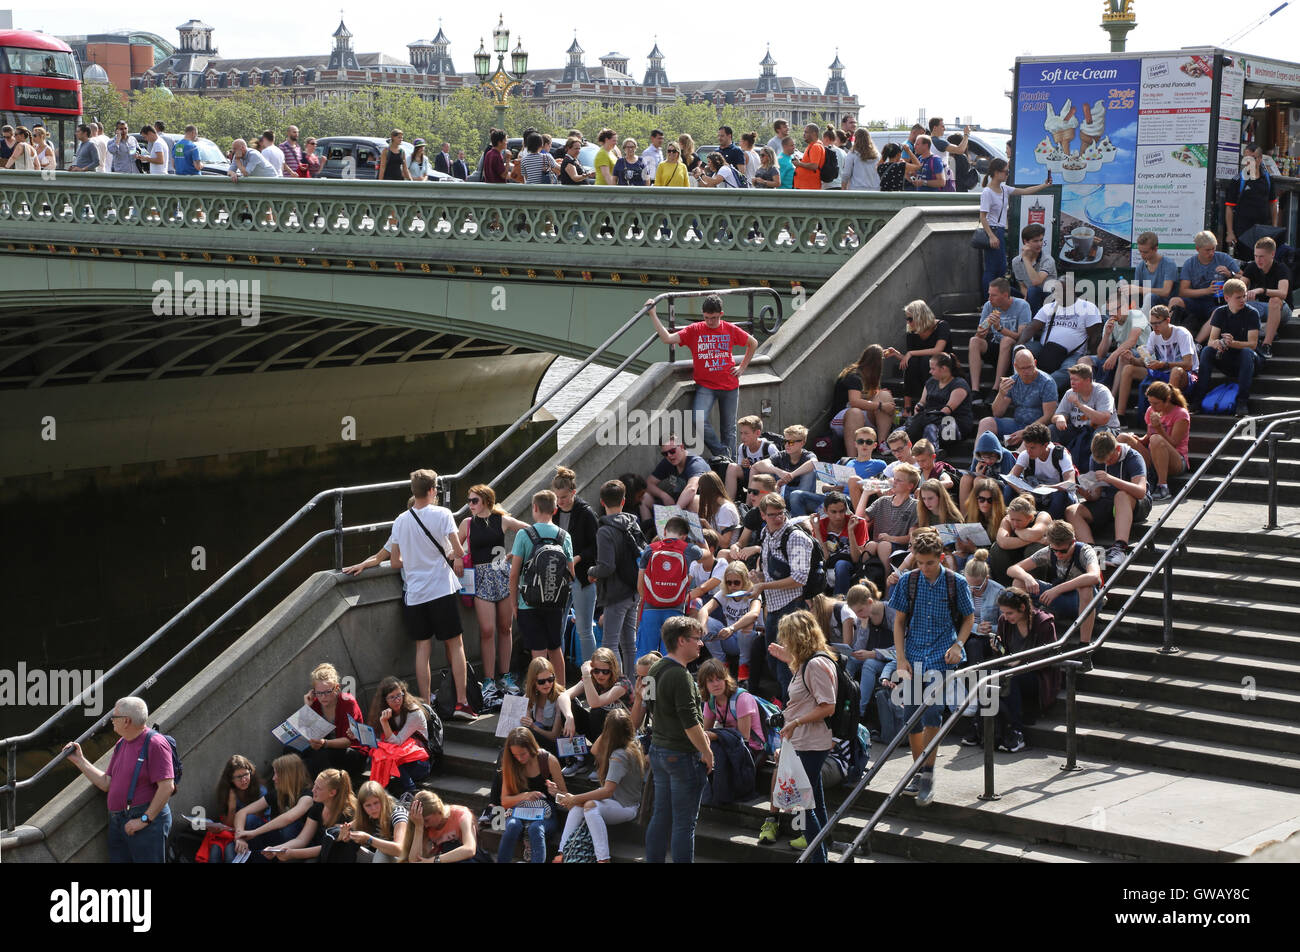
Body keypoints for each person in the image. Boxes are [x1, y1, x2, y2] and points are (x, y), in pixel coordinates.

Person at [889, 530, 975, 805]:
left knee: (933, 712)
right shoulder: (908, 581)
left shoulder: (956, 582)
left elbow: (969, 617)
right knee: (911, 716)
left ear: (940, 558)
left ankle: (927, 772)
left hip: (941, 654)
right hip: (914, 654)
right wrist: (900, 659)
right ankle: (919, 769)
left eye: (929, 562)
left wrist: (958, 645)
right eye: (919, 562)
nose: (924, 568)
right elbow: (899, 621)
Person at [390, 469, 475, 718]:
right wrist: (449, 552)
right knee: (456, 645)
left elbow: (396, 561)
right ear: (431, 490)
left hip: (415, 594)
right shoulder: (443, 514)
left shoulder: (400, 520)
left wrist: (415, 559)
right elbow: (458, 552)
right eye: (436, 488)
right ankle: (461, 702)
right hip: (440, 590)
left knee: (422, 650)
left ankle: (425, 706)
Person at [755, 611, 837, 859]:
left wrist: (796, 722)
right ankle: (821, 853)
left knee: (805, 805)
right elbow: (805, 694)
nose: (784, 641)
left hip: (810, 743)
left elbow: (827, 706)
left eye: (786, 637)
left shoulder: (815, 664)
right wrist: (788, 660)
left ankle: (818, 857)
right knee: (815, 803)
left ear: (797, 637)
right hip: (803, 741)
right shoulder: (806, 662)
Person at [62, 696, 174, 862]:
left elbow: (167, 787)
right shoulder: (122, 743)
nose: (111, 720)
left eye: (114, 716)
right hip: (119, 820)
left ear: (127, 721)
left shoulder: (155, 743)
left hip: (143, 821)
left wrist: (144, 820)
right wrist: (79, 760)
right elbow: (107, 783)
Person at [647, 294, 756, 460]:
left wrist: (742, 367)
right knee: (698, 420)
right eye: (706, 318)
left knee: (729, 430)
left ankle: (731, 465)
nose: (710, 322)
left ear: (721, 314)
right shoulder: (695, 330)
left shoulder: (729, 329)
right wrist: (653, 314)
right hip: (706, 386)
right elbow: (667, 339)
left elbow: (753, 343)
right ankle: (723, 455)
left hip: (730, 385)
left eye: (713, 318)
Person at [644, 616, 714, 863]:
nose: (701, 644)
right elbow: (690, 722)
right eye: (697, 639)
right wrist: (706, 751)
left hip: (659, 751)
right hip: (681, 755)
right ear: (682, 640)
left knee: (660, 816)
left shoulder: (654, 668)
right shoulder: (681, 676)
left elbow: (648, 706)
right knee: (684, 824)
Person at [458, 484, 529, 703]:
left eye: (474, 501)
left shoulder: (502, 519)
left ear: (486, 501)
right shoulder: (467, 523)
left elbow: (529, 530)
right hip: (480, 579)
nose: (470, 505)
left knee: (505, 628)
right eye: (469, 501)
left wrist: (514, 555)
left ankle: (505, 676)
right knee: (487, 630)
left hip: (502, 576)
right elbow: (454, 546)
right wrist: (457, 557)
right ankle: (488, 679)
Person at [555, 708, 644, 863]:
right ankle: (562, 852)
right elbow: (595, 750)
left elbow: (608, 791)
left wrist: (575, 798)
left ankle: (603, 859)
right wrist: (610, 729)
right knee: (578, 807)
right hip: (616, 802)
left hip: (625, 806)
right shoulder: (632, 743)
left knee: (589, 806)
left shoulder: (619, 755)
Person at [510, 490, 577, 679]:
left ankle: (540, 698)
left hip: (528, 602)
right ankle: (562, 695)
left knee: (537, 653)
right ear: (555, 510)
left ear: (535, 507)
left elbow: (514, 573)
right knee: (555, 648)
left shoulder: (524, 534)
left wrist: (514, 603)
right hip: (555, 602)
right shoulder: (564, 536)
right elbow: (570, 573)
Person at [1007, 518, 1102, 651]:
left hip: (1087, 601)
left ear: (1073, 542)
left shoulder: (1085, 551)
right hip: (1061, 597)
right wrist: (1027, 577)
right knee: (1018, 582)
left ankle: (1084, 645)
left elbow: (1094, 576)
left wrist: (1057, 589)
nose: (1058, 554)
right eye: (1055, 550)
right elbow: (1012, 569)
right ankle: (1031, 631)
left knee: (1085, 588)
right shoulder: (1049, 551)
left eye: (1063, 551)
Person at [1067, 430, 1152, 569]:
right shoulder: (1096, 459)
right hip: (1108, 502)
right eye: (1103, 461)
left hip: (1137, 504)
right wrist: (1087, 494)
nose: (1107, 463)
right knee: (1071, 511)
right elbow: (1097, 495)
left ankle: (1120, 548)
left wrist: (1110, 479)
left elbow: (1141, 492)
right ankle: (1093, 553)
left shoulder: (1134, 457)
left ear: (1117, 449)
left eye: (1110, 459)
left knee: (1121, 495)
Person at [987, 588, 1058, 750]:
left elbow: (1050, 656)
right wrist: (997, 648)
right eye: (1004, 612)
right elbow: (1003, 654)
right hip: (1011, 670)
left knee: (1012, 678)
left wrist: (1021, 661)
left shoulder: (1043, 623)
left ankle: (1017, 731)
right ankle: (983, 729)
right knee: (987, 675)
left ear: (1023, 608)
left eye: (1010, 613)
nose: (1006, 617)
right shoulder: (1004, 622)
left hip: (1038, 675)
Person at [588, 479, 644, 676]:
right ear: (623, 501)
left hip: (615, 593)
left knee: (610, 645)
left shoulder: (604, 531)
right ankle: (631, 688)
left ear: (602, 502)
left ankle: (617, 689)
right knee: (630, 644)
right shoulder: (633, 524)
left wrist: (591, 572)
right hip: (634, 591)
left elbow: (607, 567)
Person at [1186, 279, 1261, 417]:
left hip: (1249, 360)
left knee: (1245, 352)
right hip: (1228, 358)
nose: (1243, 300)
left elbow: (1253, 344)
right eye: (1238, 297)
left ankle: (1242, 402)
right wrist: (1219, 343)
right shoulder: (1220, 312)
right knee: (1207, 351)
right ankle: (1197, 401)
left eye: (1244, 296)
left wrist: (1232, 343)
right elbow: (1211, 341)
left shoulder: (1252, 313)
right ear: (1227, 298)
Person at [978, 158, 1052, 296]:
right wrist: (991, 236)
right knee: (992, 268)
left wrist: (1044, 185)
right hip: (993, 231)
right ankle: (988, 298)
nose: (1007, 175)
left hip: (999, 230)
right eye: (1006, 172)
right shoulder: (987, 192)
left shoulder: (1004, 189)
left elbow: (1025, 191)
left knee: (1000, 267)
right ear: (996, 172)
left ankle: (995, 296)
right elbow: (983, 216)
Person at [557, 649, 632, 778]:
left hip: (620, 735)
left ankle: (604, 762)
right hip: (598, 732)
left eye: (605, 671)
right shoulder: (591, 678)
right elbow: (563, 696)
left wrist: (586, 676)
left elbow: (595, 703)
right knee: (568, 709)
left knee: (597, 712)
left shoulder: (622, 684)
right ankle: (579, 758)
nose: (600, 675)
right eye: (596, 670)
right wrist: (569, 717)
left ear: (613, 670)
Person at [1115, 304, 1198, 420]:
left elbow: (1188, 364)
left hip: (1187, 376)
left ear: (1167, 320)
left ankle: (1165, 416)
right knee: (1128, 369)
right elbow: (1144, 362)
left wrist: (1164, 364)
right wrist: (1132, 359)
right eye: (1152, 324)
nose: (1154, 327)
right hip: (1163, 371)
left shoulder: (1181, 333)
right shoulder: (1154, 335)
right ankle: (1120, 416)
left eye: (1157, 323)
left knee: (1175, 371)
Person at [635, 514, 703, 656]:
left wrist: (649, 598)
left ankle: (647, 679)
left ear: (664, 532)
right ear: (684, 536)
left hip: (650, 609)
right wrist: (698, 532)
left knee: (646, 656)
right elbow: (707, 553)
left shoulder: (650, 549)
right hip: (675, 609)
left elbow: (640, 584)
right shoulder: (688, 549)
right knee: (672, 655)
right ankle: (669, 679)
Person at [552, 467, 601, 662]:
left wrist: (576, 558)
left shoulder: (586, 513)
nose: (559, 501)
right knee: (558, 628)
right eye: (556, 497)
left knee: (584, 629)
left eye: (563, 497)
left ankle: (591, 674)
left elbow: (596, 547)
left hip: (582, 576)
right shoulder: (554, 512)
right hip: (559, 577)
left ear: (573, 492)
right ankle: (560, 674)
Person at [497, 727, 567, 862]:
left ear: (531, 748)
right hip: (519, 811)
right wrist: (525, 795)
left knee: (535, 829)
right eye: (515, 755)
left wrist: (556, 792)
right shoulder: (511, 763)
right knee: (512, 825)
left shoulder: (548, 760)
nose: (519, 758)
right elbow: (504, 801)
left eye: (522, 754)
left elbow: (566, 799)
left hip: (545, 813)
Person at [296, 661, 369, 782]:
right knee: (290, 750)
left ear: (336, 688)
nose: (323, 697)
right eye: (319, 693)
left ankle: (321, 789)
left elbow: (348, 741)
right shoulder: (314, 703)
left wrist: (324, 743)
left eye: (327, 692)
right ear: (314, 691)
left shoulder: (347, 702)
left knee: (320, 755)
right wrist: (307, 708)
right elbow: (305, 732)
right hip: (324, 748)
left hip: (352, 752)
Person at [264, 768, 357, 862]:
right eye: (314, 785)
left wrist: (292, 854)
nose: (313, 790)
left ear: (332, 793)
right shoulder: (318, 807)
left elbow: (328, 847)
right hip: (314, 850)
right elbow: (302, 839)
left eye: (318, 788)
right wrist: (276, 849)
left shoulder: (346, 814)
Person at [1023, 288, 1106, 393]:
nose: (1055, 293)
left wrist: (1093, 358)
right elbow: (1031, 327)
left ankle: (1038, 389)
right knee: (1022, 351)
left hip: (1073, 353)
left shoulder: (1088, 307)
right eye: (1054, 290)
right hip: (1046, 349)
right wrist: (1018, 346)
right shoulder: (1049, 306)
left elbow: (1095, 336)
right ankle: (1019, 384)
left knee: (1071, 370)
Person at [1118, 380, 1190, 502]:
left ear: (1167, 400)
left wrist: (1159, 429)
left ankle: (1163, 487)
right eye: (1150, 403)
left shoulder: (1181, 414)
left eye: (1156, 403)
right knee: (1123, 438)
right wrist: (1137, 439)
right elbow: (1148, 438)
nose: (1152, 407)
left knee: (1156, 439)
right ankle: (1126, 479)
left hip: (1177, 460)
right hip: (1154, 454)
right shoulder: (1151, 410)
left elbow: (1174, 443)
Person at [976, 347, 1059, 449]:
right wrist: (1001, 394)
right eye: (1023, 368)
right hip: (1017, 423)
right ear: (1015, 366)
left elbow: (1048, 416)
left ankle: (1015, 462)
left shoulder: (1047, 382)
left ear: (1035, 363)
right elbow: (997, 413)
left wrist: (1026, 432)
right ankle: (978, 461)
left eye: (1030, 367)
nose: (1026, 372)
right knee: (986, 422)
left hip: (1038, 428)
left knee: (1029, 437)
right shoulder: (1013, 381)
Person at [233, 754, 313, 858]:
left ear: (288, 775)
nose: (273, 778)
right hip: (275, 841)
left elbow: (288, 818)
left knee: (289, 827)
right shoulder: (277, 792)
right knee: (250, 819)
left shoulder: (307, 796)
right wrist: (240, 836)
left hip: (295, 846)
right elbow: (242, 812)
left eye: (276, 774)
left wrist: (254, 833)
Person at [695, 561, 762, 681]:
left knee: (746, 626)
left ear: (745, 581)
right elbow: (704, 610)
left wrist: (732, 628)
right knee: (708, 622)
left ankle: (743, 667)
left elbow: (754, 614)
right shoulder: (725, 593)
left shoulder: (753, 592)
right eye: (728, 582)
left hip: (749, 640)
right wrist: (703, 627)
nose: (732, 586)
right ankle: (721, 665)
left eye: (736, 582)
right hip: (730, 640)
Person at [365, 676, 432, 795]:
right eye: (392, 697)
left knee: (392, 757)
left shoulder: (413, 713)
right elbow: (380, 740)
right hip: (399, 763)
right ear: (384, 700)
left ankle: (410, 791)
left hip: (419, 764)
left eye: (399, 695)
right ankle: (382, 792)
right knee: (375, 755)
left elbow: (397, 742)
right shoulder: (383, 712)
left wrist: (384, 722)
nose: (397, 700)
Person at [1173, 230, 1243, 341]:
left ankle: (1197, 344)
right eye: (1207, 250)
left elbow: (1243, 279)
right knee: (1175, 301)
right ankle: (1167, 338)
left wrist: (1230, 274)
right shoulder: (1190, 263)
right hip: (1196, 301)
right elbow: (1183, 291)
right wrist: (1207, 290)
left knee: (1218, 311)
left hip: (1217, 302)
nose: (1211, 253)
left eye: (1213, 249)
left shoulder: (1223, 258)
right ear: (1197, 249)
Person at [884, 300, 951, 415]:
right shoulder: (911, 331)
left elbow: (938, 350)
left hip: (943, 367)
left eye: (910, 319)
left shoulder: (941, 326)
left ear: (921, 317)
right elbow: (910, 358)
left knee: (925, 360)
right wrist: (897, 354)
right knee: (914, 360)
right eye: (907, 319)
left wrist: (911, 353)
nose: (908, 322)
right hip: (923, 371)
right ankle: (907, 407)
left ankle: (930, 402)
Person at [969, 278, 1033, 394]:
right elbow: (979, 335)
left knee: (1006, 340)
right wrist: (984, 328)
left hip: (1016, 349)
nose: (989, 298)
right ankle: (975, 390)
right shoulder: (989, 305)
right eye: (989, 294)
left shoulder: (1022, 305)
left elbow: (1022, 336)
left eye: (994, 295)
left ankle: (996, 388)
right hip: (997, 347)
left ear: (1005, 295)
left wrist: (999, 328)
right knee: (974, 341)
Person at [832, 344, 897, 454]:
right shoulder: (854, 376)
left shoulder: (869, 377)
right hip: (843, 419)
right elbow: (854, 402)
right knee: (856, 412)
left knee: (884, 395)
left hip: (862, 417)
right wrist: (881, 405)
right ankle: (851, 458)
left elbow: (869, 400)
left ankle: (882, 443)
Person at [1052, 363, 1120, 465]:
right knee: (1052, 430)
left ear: (1088, 380)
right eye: (1071, 379)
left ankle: (1095, 470)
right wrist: (1060, 418)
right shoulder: (1070, 393)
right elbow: (1056, 416)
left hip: (1105, 429)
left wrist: (1078, 404)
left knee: (1099, 437)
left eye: (1076, 380)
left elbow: (1104, 419)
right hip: (1079, 429)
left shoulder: (1102, 392)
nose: (1072, 383)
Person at [905, 352, 973, 453]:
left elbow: (946, 411)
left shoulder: (959, 384)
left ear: (944, 368)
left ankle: (932, 453)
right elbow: (922, 402)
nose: (930, 372)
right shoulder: (931, 382)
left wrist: (924, 419)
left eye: (933, 369)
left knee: (930, 428)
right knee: (903, 429)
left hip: (953, 423)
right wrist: (918, 407)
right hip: (930, 418)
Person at [1011, 422, 1078, 520]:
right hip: (1037, 497)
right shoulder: (1026, 454)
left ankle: (1048, 524)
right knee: (1009, 489)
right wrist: (1021, 491)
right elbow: (1011, 477)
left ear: (1045, 445)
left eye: (1032, 448)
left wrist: (1049, 487)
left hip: (1059, 497)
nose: (1028, 451)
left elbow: (1071, 483)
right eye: (1026, 447)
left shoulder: (1060, 455)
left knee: (1059, 495)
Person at [862, 464, 920, 576]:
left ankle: (888, 581)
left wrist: (890, 538)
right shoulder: (883, 501)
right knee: (871, 545)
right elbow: (860, 518)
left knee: (884, 545)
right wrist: (865, 494)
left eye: (899, 480)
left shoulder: (915, 506)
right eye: (894, 478)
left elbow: (911, 538)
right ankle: (863, 576)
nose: (894, 482)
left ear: (910, 486)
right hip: (878, 544)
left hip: (898, 549)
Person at [1092, 284, 1150, 389]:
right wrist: (1106, 335)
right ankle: (1091, 394)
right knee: (1084, 360)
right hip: (1122, 354)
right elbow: (1100, 355)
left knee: (1123, 355)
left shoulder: (1137, 315)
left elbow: (1132, 341)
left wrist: (1114, 355)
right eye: (1110, 311)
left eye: (1116, 309)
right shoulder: (1110, 322)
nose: (1113, 314)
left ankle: (1112, 398)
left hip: (1145, 355)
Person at [1242, 236, 1292, 360]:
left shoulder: (1281, 268)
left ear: (1272, 254)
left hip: (1282, 309)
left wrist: (1262, 290)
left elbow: (1283, 293)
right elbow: (1239, 287)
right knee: (1238, 300)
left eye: (1262, 256)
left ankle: (1266, 344)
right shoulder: (1252, 267)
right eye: (1256, 256)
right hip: (1261, 308)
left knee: (1274, 300)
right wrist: (1245, 293)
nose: (1258, 260)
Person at [1225, 149, 1279, 261]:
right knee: (1245, 263)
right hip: (1243, 231)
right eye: (1246, 158)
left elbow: (1273, 204)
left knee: (1264, 262)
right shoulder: (1238, 180)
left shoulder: (1268, 179)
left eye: (1252, 158)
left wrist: (1274, 227)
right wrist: (1230, 232)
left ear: (1259, 159)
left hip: (1264, 230)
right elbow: (1229, 207)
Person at [813, 491, 869, 595]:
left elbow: (856, 559)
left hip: (849, 565)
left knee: (841, 565)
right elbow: (825, 557)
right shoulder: (819, 524)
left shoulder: (858, 523)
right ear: (825, 511)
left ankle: (839, 601)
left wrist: (850, 531)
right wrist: (816, 530)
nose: (838, 516)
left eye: (842, 511)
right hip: (829, 564)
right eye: (833, 512)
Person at [642, 435, 711, 518]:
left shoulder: (695, 463)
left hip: (703, 506)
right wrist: (664, 496)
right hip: (677, 505)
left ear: (681, 446)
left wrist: (675, 512)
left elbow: (691, 489)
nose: (669, 456)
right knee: (644, 497)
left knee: (694, 500)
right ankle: (648, 529)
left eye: (672, 451)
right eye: (665, 453)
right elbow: (649, 483)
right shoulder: (668, 462)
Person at [752, 424, 819, 508]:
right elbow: (758, 465)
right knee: (769, 471)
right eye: (784, 441)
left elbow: (814, 462)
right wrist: (778, 471)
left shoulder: (807, 455)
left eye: (791, 442)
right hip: (785, 494)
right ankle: (754, 506)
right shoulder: (782, 455)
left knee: (810, 471)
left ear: (802, 443)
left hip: (803, 497)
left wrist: (791, 475)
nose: (786, 445)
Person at [404, 790, 480, 862]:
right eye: (422, 822)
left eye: (426, 820)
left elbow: (470, 850)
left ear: (439, 811)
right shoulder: (421, 824)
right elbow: (414, 860)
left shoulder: (462, 815)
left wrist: (434, 860)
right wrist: (418, 827)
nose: (426, 826)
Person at [343, 781, 409, 862]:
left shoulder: (398, 813)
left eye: (376, 803)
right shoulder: (366, 816)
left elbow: (400, 849)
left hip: (406, 859)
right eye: (368, 805)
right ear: (362, 807)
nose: (373, 809)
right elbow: (344, 828)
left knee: (381, 852)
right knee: (346, 847)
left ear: (383, 799)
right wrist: (345, 835)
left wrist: (369, 839)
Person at [991, 494, 1050, 584]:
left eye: (1018, 520)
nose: (1014, 523)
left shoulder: (1043, 516)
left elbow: (1033, 534)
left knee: (1035, 548)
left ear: (1030, 517)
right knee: (997, 549)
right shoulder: (1007, 519)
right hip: (1014, 557)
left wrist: (1018, 531)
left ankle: (1036, 587)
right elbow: (1003, 542)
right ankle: (1005, 587)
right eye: (1012, 519)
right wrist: (1036, 539)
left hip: (1036, 562)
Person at [515, 656, 565, 752]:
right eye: (541, 682)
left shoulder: (560, 698)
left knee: (527, 734)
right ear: (533, 682)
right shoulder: (529, 696)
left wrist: (534, 727)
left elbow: (554, 736)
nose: (547, 684)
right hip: (537, 745)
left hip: (557, 746)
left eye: (550, 679)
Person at [1011, 223, 1057, 313]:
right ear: (1025, 242)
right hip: (1030, 294)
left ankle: (1033, 324)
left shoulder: (1048, 260)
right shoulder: (1016, 261)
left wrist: (1026, 259)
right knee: (1005, 290)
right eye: (1035, 241)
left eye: (1041, 240)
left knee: (1033, 290)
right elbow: (1022, 286)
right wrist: (1026, 298)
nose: (1040, 244)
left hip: (1049, 297)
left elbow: (1036, 282)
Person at [1134, 231, 1179, 309]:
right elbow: (1135, 292)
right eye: (1140, 251)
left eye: (1145, 252)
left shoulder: (1169, 264)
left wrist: (1138, 289)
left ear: (1155, 249)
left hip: (1165, 306)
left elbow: (1165, 292)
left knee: (1150, 296)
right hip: (1145, 304)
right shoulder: (1140, 266)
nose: (1142, 255)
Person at [696, 472, 741, 547]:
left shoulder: (725, 509)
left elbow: (725, 543)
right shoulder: (716, 506)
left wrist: (706, 524)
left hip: (726, 552)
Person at [793, 123, 825, 190]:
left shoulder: (815, 146)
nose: (803, 134)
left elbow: (814, 166)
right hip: (805, 186)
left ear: (814, 133)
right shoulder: (812, 146)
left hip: (809, 187)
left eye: (806, 132)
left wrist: (799, 164)